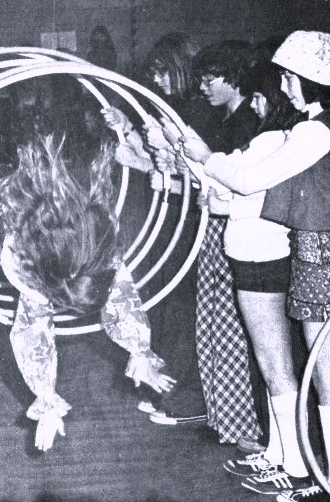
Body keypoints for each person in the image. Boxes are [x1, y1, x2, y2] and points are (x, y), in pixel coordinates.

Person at [179, 30, 330, 501]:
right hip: (305, 252)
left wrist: (207, 158)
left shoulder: (314, 130)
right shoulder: (305, 128)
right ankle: (301, 467)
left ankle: (309, 472)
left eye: (289, 80)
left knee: (321, 371)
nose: (283, 89)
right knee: (310, 369)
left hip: (315, 254)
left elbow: (249, 181)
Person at [0, 134, 176, 451]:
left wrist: (140, 351)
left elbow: (122, 298)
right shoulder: (19, 262)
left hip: (58, 227)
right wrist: (46, 398)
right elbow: (34, 334)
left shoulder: (102, 248)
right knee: (36, 306)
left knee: (108, 278)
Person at [102, 32, 219, 425]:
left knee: (184, 306)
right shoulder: (174, 110)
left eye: (164, 73)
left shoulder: (200, 115)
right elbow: (161, 164)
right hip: (174, 219)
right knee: (168, 304)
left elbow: (194, 173)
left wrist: (154, 164)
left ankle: (186, 394)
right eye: (154, 74)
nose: (158, 81)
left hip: (192, 221)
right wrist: (128, 130)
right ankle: (168, 386)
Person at [158, 40, 263, 444]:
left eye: (209, 79)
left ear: (234, 78)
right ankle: (226, 420)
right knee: (214, 327)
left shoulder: (247, 124)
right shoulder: (226, 121)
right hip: (217, 230)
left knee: (231, 330)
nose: (203, 87)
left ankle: (245, 428)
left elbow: (239, 181)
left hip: (235, 234)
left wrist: (201, 164)